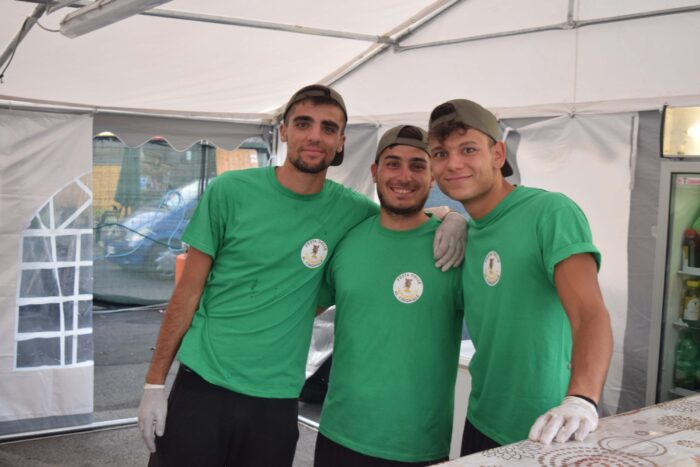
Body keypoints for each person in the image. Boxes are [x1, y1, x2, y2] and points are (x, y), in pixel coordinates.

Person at [136, 84, 467, 467]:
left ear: (341, 141)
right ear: (283, 130)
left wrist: (453, 216)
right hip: (203, 383)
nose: (314, 136)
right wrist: (155, 381)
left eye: (328, 128)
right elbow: (187, 292)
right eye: (303, 123)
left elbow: (403, 215)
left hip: (276, 400)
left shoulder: (352, 212)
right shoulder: (231, 191)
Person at [427, 99, 613, 455]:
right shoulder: (467, 232)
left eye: (468, 149)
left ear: (498, 154)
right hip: (481, 420)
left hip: (551, 429)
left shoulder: (550, 212)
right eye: (440, 153)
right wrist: (448, 215)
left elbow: (590, 314)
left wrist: (581, 399)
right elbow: (391, 212)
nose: (453, 164)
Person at [314, 125, 464, 467]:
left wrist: (459, 219)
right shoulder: (347, 241)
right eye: (393, 163)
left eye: (417, 165)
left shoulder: (455, 250)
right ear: (375, 172)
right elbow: (303, 309)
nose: (404, 176)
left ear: (433, 177)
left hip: (417, 446)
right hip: (339, 435)